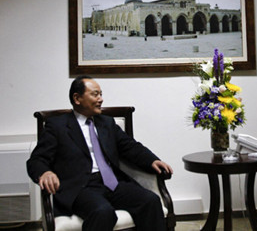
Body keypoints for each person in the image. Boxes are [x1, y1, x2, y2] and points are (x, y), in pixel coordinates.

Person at [27, 75, 173, 231]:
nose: (101, 99)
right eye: (95, 94)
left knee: (150, 200)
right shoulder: (58, 126)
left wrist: (151, 160)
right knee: (103, 211)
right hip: (81, 188)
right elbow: (37, 159)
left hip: (112, 183)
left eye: (101, 94)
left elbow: (130, 146)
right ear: (77, 98)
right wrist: (45, 172)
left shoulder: (107, 122)